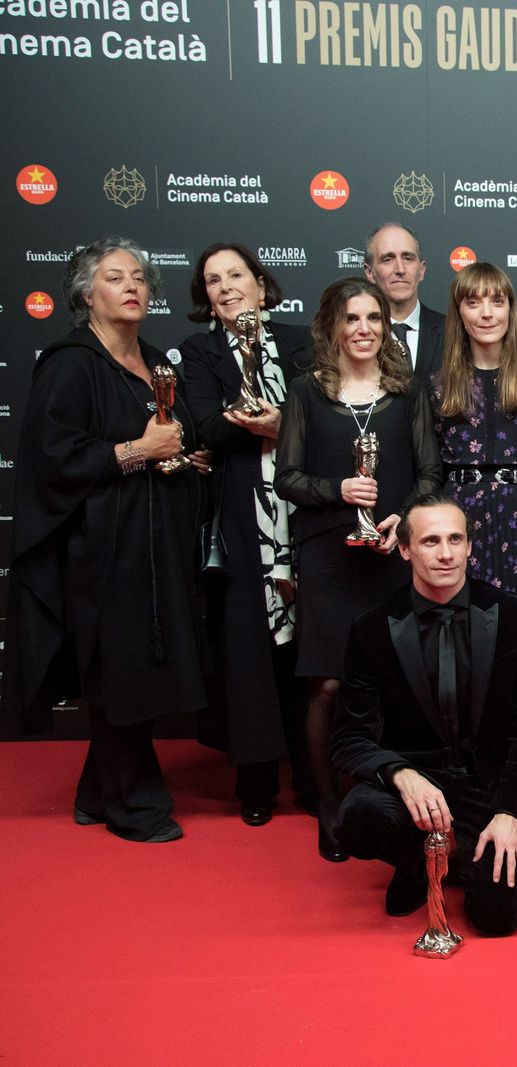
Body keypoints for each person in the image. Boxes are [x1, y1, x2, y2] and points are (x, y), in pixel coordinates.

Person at [3, 237, 208, 843]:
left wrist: (184, 458)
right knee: (122, 671)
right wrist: (138, 450)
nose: (132, 286)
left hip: (158, 545)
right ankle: (135, 806)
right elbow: (51, 457)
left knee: (140, 667)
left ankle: (96, 792)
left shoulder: (157, 362)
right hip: (102, 550)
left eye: (139, 277)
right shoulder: (71, 363)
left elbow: (173, 439)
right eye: (115, 277)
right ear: (86, 295)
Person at [276, 277, 443, 861]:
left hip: (391, 553)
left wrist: (402, 518)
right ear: (332, 327)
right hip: (328, 554)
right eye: (352, 318)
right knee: (326, 684)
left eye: (374, 318)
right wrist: (337, 489)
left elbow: (430, 472)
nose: (364, 329)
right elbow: (287, 478)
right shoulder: (306, 392)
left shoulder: (408, 392)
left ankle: (390, 796)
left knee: (397, 680)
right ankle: (328, 803)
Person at [329, 495, 517, 932]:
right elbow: (349, 738)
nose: (446, 553)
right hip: (417, 784)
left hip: (488, 786)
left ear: (470, 546)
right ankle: (415, 860)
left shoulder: (514, 616)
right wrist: (402, 775)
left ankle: (455, 855)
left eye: (455, 539)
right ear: (405, 549)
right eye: (430, 541)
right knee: (359, 815)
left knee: (497, 920)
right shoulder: (372, 627)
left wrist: (511, 813)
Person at [182, 242, 314, 825]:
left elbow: (329, 415)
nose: (226, 286)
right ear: (206, 298)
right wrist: (274, 424)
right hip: (239, 519)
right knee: (247, 650)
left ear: (261, 285)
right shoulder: (199, 351)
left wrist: (284, 424)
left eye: (236, 275)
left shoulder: (302, 341)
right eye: (214, 281)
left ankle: (314, 780)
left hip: (304, 514)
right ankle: (256, 783)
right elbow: (205, 426)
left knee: (309, 649)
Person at [432, 262, 517, 640]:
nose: (487, 313)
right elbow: (432, 469)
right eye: (474, 303)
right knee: (465, 634)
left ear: (511, 309)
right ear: (459, 313)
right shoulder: (441, 383)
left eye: (497, 301)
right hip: (462, 521)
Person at [364, 222, 444, 382]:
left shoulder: (451, 332)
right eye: (388, 259)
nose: (400, 269)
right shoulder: (355, 335)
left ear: (421, 270)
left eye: (408, 258)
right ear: (370, 272)